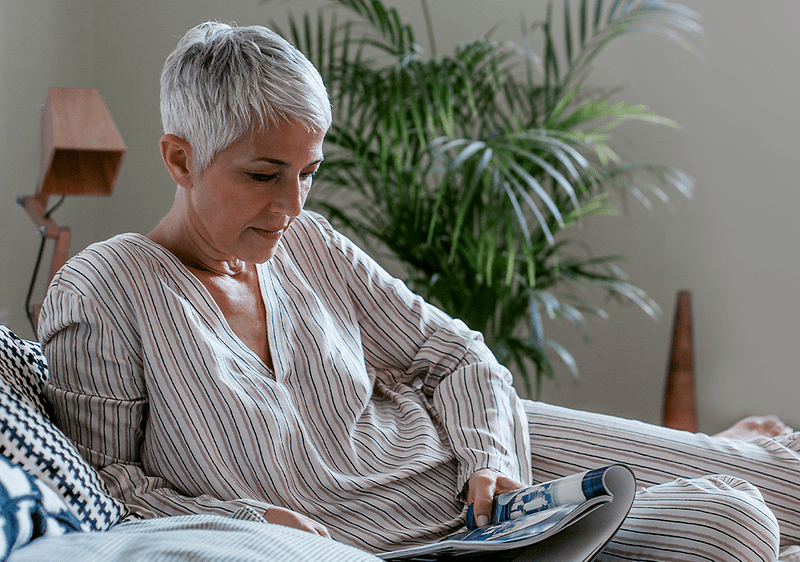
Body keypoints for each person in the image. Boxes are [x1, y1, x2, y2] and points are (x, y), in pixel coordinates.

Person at [37, 21, 800, 561]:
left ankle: (726, 451)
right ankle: (717, 460)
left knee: (783, 482)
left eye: (309, 173)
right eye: (265, 175)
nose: (293, 205)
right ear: (179, 157)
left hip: (478, 467)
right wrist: (244, 518)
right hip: (420, 540)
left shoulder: (309, 242)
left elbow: (455, 354)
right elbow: (105, 486)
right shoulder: (102, 290)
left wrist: (490, 452)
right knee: (733, 522)